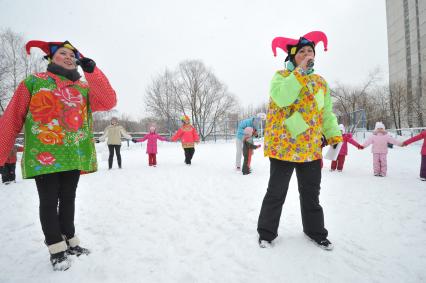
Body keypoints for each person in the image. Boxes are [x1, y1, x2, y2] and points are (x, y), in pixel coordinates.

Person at [0, 40, 116, 270]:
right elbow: (13, 117)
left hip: (73, 152)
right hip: (44, 153)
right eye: (63, 53)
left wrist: (93, 71)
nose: (69, 57)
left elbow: (108, 101)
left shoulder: (83, 87)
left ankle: (70, 241)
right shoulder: (34, 82)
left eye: (73, 55)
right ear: (51, 58)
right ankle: (56, 248)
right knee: (49, 200)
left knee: (69, 198)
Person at [257, 31, 342, 250]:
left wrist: (333, 134)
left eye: (310, 51)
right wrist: (300, 72)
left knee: (311, 193)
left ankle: (315, 232)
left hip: (309, 147)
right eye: (302, 52)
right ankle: (266, 233)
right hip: (283, 146)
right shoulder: (281, 77)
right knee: (276, 192)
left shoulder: (320, 83)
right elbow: (283, 98)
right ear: (292, 57)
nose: (307, 55)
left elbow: (326, 114)